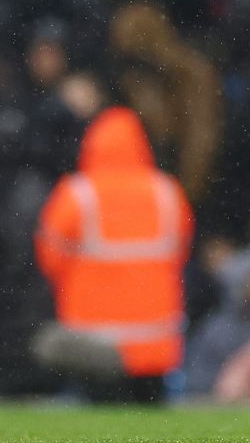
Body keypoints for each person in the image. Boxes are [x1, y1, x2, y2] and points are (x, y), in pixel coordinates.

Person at [34, 106, 194, 403]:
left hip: (94, 341)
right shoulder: (166, 192)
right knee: (152, 425)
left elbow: (49, 256)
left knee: (99, 419)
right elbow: (180, 250)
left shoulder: (78, 194)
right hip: (155, 340)